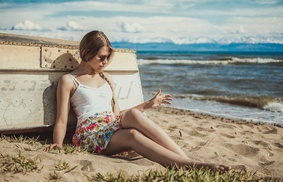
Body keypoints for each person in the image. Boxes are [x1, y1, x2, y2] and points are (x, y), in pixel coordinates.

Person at [45, 30, 231, 172]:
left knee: (133, 114)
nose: (105, 61)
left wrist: (149, 105)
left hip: (110, 123)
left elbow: (117, 115)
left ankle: (187, 160)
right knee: (132, 135)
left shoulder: (106, 78)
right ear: (86, 53)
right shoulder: (69, 80)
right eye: (101, 57)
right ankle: (189, 164)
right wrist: (58, 144)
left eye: (108, 57)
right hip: (90, 132)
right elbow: (61, 119)